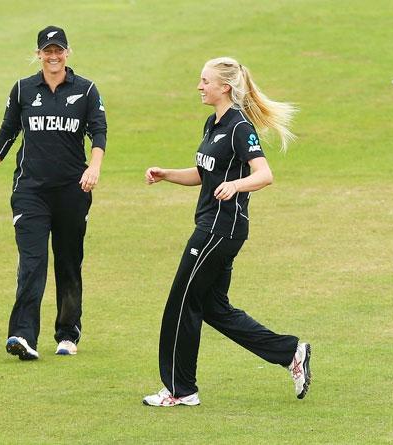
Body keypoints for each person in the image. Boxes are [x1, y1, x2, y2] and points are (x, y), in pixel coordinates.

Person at [142, 57, 311, 407]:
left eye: (205, 81)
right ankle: (290, 351)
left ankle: (180, 389)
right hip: (212, 226)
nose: (199, 86)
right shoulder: (213, 123)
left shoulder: (239, 127)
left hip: (220, 230)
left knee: (182, 302)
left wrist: (236, 185)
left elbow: (264, 174)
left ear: (224, 87)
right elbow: (204, 174)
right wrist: (166, 174)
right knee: (213, 308)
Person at [0, 26, 107, 360]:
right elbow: (7, 132)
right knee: (32, 262)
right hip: (30, 191)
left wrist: (94, 167)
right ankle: (22, 334)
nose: (53, 56)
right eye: (47, 51)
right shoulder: (22, 90)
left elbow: (98, 132)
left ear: (67, 53)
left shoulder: (86, 89)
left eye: (58, 50)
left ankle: (67, 333)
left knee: (68, 261)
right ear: (38, 54)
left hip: (72, 190)